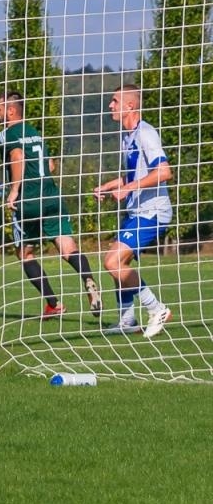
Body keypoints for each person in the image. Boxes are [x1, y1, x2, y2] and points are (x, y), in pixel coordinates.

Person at [0, 90, 102, 318]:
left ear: (11, 110)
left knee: (24, 253)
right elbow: (51, 165)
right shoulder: (35, 133)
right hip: (52, 196)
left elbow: (17, 158)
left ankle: (53, 304)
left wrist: (14, 191)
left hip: (30, 200)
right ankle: (89, 280)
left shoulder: (8, 134)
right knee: (68, 248)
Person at [93, 84, 173, 337]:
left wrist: (128, 189)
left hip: (153, 212)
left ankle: (157, 308)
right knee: (120, 263)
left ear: (130, 106)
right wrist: (110, 185)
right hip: (138, 212)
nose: (110, 105)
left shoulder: (146, 134)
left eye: (115, 101)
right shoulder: (128, 136)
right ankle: (127, 320)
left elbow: (163, 172)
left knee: (112, 262)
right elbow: (135, 175)